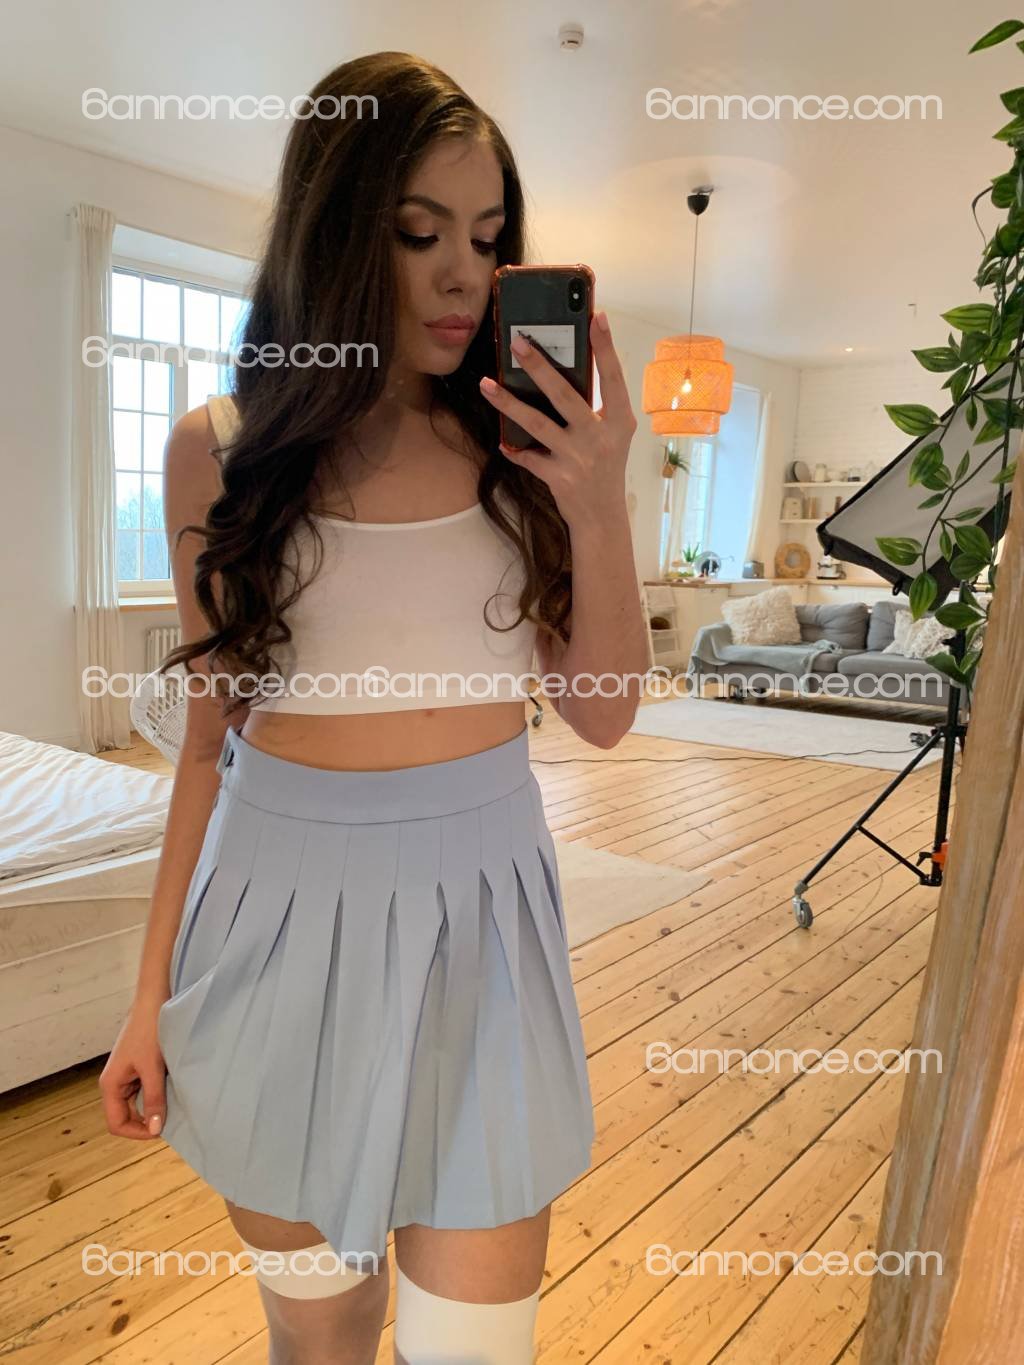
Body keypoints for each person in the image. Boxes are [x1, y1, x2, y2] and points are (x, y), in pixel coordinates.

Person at [99, 50, 647, 1365]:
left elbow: (605, 711)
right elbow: (211, 737)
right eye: (419, 233)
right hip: (273, 917)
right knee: (321, 1338)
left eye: (489, 238)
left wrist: (598, 495)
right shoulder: (220, 449)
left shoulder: (526, 450)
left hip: (485, 919)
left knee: (474, 1349)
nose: (464, 274)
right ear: (338, 233)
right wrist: (146, 993)